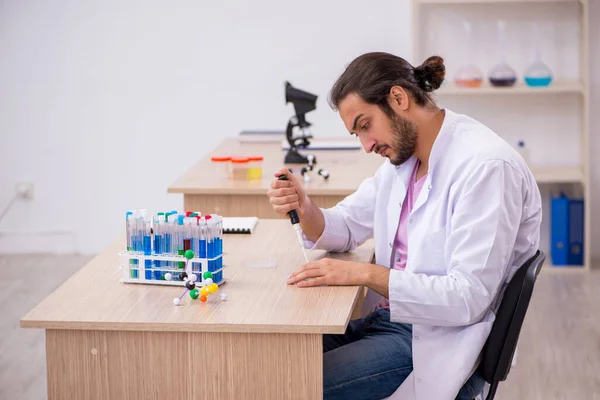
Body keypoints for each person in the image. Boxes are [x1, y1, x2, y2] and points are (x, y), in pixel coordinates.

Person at [266, 52, 542, 400]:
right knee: (269, 357)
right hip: (391, 324)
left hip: (436, 343)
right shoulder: (405, 161)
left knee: (286, 383)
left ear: (398, 98)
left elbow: (468, 297)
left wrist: (367, 275)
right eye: (357, 134)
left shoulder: (486, 167)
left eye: (365, 125)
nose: (366, 146)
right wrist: (303, 206)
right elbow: (347, 224)